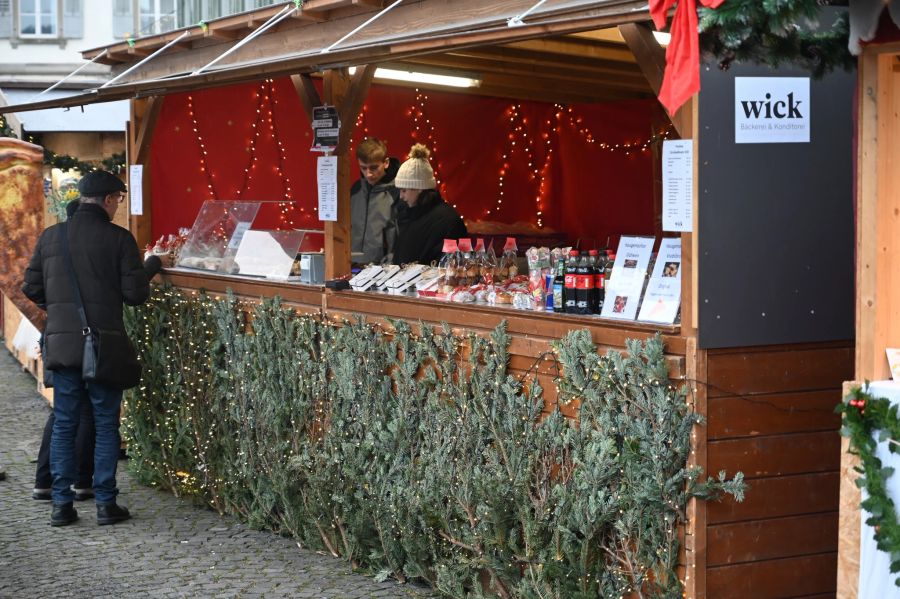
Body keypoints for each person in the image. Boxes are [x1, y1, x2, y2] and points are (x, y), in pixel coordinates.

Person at [22, 170, 162, 527]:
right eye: (118, 199)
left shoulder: (51, 236)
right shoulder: (118, 239)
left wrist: (62, 309)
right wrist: (151, 267)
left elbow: (32, 288)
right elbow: (135, 295)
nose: (119, 206)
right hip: (104, 346)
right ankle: (105, 503)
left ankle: (61, 506)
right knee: (104, 423)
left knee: (66, 423)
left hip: (62, 345)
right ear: (109, 199)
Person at [32, 199, 96, 502]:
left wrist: (54, 308)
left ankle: (45, 482)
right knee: (82, 412)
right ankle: (81, 482)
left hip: (56, 336)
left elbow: (30, 286)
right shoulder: (92, 245)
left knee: (61, 413)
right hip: (86, 338)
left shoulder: (51, 239)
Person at [392, 144, 467, 266]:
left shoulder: (448, 221)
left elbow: (452, 265)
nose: (401, 196)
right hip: (401, 283)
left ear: (420, 189)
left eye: (404, 190)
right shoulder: (407, 213)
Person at [351, 137, 400, 264]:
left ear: (386, 163)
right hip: (352, 265)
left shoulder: (398, 192)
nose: (368, 174)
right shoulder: (355, 189)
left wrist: (390, 264)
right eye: (363, 168)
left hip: (384, 269)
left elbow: (402, 236)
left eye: (374, 168)